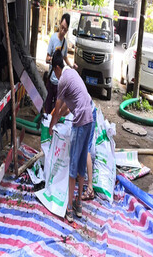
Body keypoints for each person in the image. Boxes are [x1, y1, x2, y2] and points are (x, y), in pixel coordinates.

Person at [49, 50, 95, 223]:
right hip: (90, 118)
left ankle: (69, 208)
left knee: (73, 166)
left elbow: (57, 107)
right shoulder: (72, 73)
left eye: (54, 71)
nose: (54, 74)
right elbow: (66, 108)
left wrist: (51, 126)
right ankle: (79, 204)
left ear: (56, 68)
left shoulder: (62, 81)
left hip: (81, 121)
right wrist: (57, 116)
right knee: (82, 162)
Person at [44, 13, 73, 114]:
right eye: (62, 28)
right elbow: (46, 58)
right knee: (47, 105)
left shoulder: (65, 42)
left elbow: (65, 57)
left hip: (60, 82)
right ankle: (47, 124)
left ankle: (53, 126)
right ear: (60, 24)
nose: (62, 31)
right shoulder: (53, 38)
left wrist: (71, 66)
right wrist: (53, 59)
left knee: (56, 108)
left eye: (65, 30)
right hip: (51, 79)